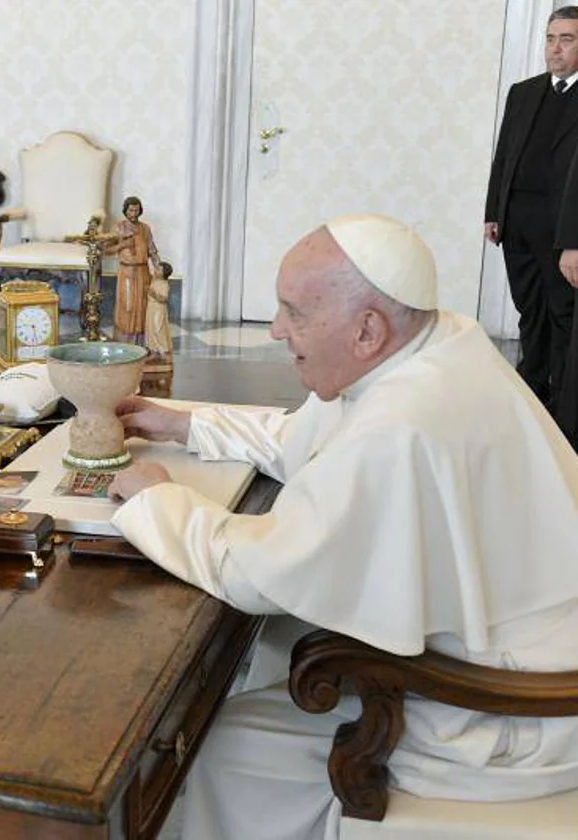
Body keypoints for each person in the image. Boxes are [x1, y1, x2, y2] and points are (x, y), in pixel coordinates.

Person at [107, 214, 578, 840]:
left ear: (366, 330)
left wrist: (152, 502)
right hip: (529, 662)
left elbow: (255, 575)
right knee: (267, 659)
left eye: (294, 312)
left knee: (213, 741)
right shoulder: (433, 344)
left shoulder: (402, 424)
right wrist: (186, 426)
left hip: (500, 718)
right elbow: (310, 437)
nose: (275, 329)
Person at [484, 6, 578, 411]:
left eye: (567, 40)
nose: (555, 49)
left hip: (560, 230)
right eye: (550, 38)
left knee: (562, 317)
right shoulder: (523, 92)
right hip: (517, 223)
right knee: (529, 311)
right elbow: (503, 156)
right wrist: (493, 211)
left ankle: (562, 403)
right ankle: (531, 390)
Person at [107, 196, 161, 346]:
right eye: (131, 210)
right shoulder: (118, 227)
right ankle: (124, 343)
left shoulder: (145, 228)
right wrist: (123, 244)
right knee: (127, 306)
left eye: (137, 210)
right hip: (127, 273)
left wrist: (158, 268)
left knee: (143, 306)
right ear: (125, 210)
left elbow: (152, 250)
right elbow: (107, 250)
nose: (134, 213)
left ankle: (142, 343)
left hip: (143, 272)